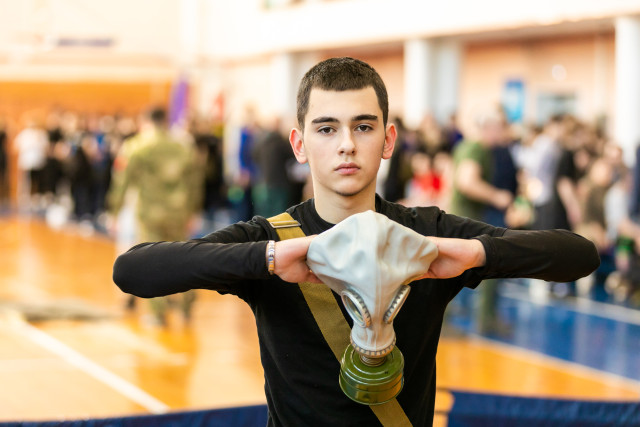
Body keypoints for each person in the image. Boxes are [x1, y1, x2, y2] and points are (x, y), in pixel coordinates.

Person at [113, 58, 599, 426]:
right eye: (327, 128)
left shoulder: (422, 233)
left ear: (388, 141)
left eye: (363, 127)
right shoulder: (270, 239)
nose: (346, 143)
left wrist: (475, 253)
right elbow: (133, 270)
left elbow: (578, 254)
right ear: (299, 144)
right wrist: (269, 258)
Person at [108, 107, 203, 326]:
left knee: (152, 261)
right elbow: (195, 182)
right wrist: (194, 210)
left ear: (146, 121)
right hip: (179, 212)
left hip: (150, 212)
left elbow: (122, 181)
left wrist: (114, 210)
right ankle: (187, 305)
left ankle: (159, 314)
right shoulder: (182, 147)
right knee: (182, 258)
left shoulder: (136, 146)